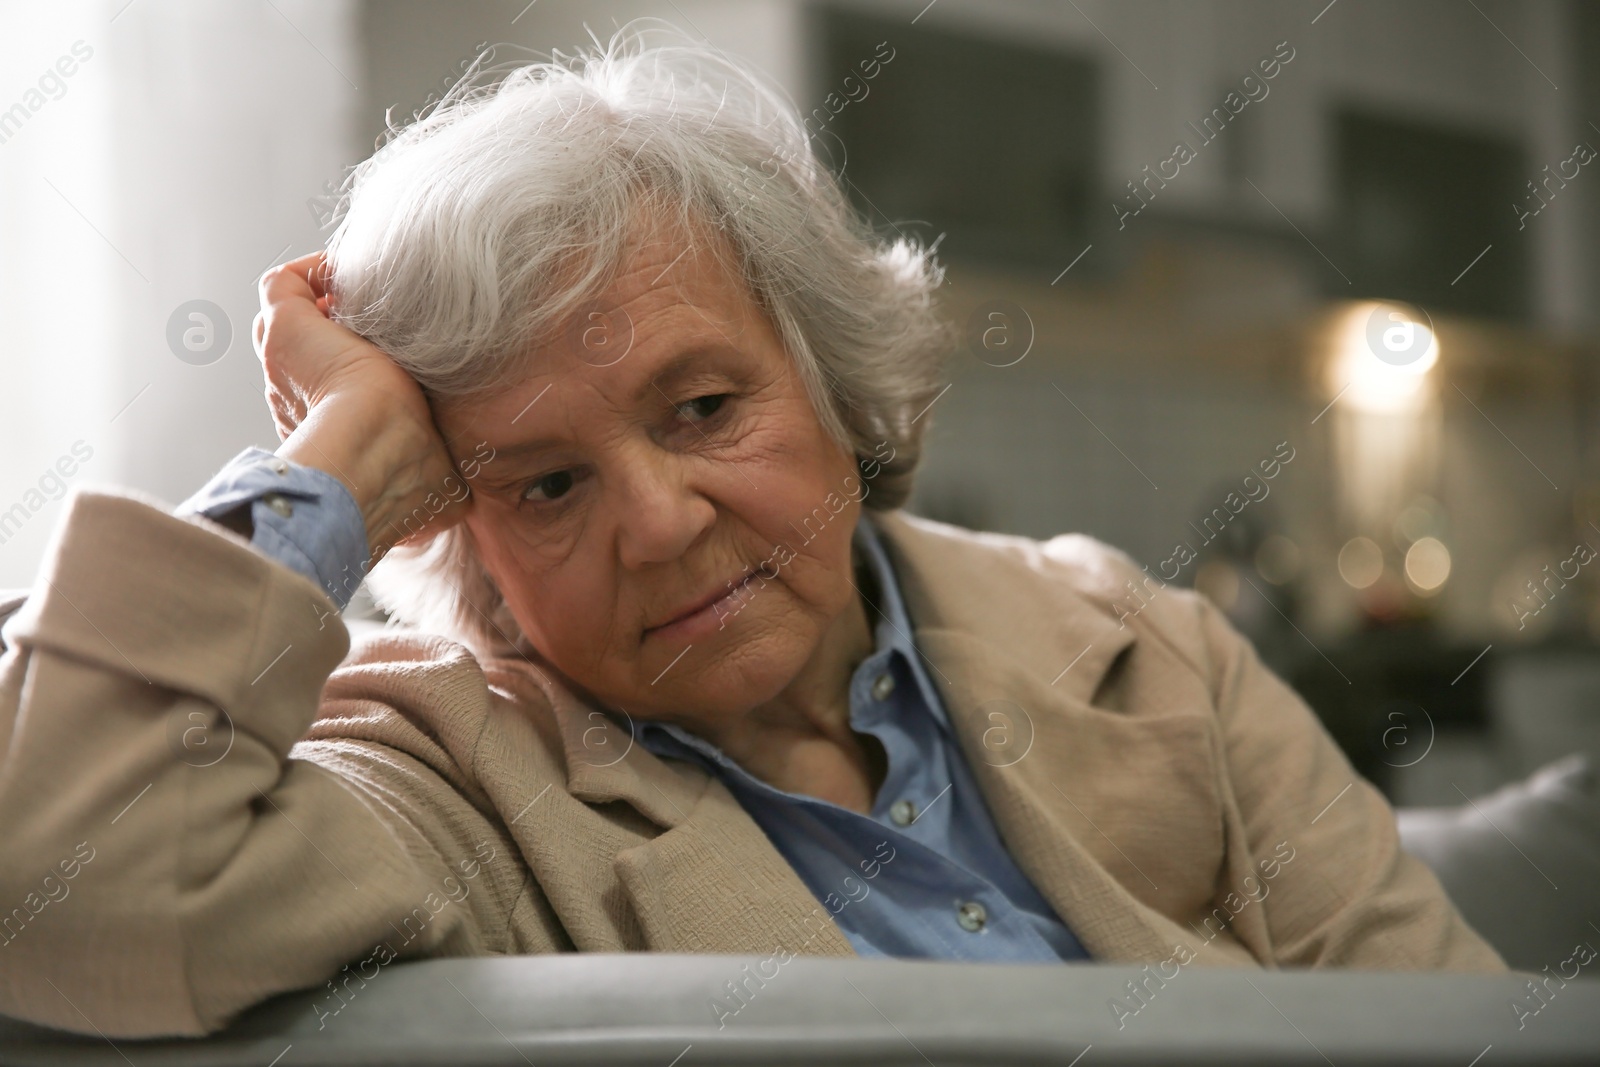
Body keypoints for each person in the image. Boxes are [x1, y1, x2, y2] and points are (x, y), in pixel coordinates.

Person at [0, 26, 1503, 1039]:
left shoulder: (1141, 645)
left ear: (834, 379)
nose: (657, 524)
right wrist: (326, 471)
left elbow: (1463, 1030)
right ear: (455, 526)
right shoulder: (461, 775)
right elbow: (48, 881)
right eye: (543, 484)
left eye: (704, 407)